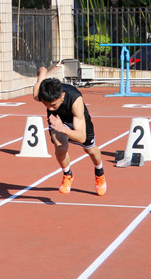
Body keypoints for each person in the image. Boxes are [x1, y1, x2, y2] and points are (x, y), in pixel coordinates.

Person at [33, 66, 106, 196]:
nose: (50, 108)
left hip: (76, 118)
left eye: (53, 105)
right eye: (46, 105)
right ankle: (67, 174)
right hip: (58, 119)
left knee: (90, 149)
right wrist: (42, 72)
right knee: (60, 147)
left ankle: (99, 173)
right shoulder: (41, 94)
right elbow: (39, 82)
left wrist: (62, 128)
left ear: (62, 96)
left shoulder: (75, 100)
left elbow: (82, 137)